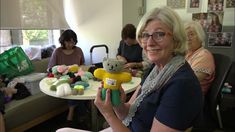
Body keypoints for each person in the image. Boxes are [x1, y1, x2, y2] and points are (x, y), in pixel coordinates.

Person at [56, 6, 203, 132]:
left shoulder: (181, 85)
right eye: (145, 35)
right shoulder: (156, 70)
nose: (149, 42)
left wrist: (107, 114)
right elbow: (128, 113)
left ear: (176, 38)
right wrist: (118, 105)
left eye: (159, 34)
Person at [48, 29, 86, 124]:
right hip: (63, 78)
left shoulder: (78, 50)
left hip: (76, 76)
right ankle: (75, 112)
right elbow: (50, 68)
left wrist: (79, 69)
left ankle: (77, 113)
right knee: (71, 86)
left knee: (80, 86)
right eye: (68, 42)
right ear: (63, 41)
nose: (71, 44)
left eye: (73, 42)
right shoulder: (57, 52)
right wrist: (59, 72)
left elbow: (83, 64)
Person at [185, 21, 215, 95]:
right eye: (185, 35)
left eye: (191, 34)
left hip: (192, 98)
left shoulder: (204, 55)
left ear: (200, 36)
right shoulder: (187, 54)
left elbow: (189, 82)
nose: (187, 38)